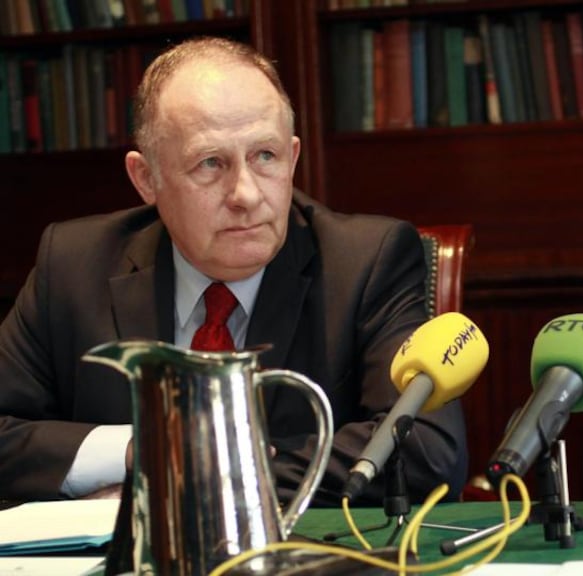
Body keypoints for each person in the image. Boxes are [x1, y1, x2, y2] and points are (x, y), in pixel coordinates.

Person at [0, 37, 467, 506]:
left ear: (293, 157)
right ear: (146, 178)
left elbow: (423, 445)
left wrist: (185, 479)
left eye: (265, 156)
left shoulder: (367, 261)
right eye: (210, 163)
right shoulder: (73, 264)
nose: (245, 193)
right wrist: (136, 449)